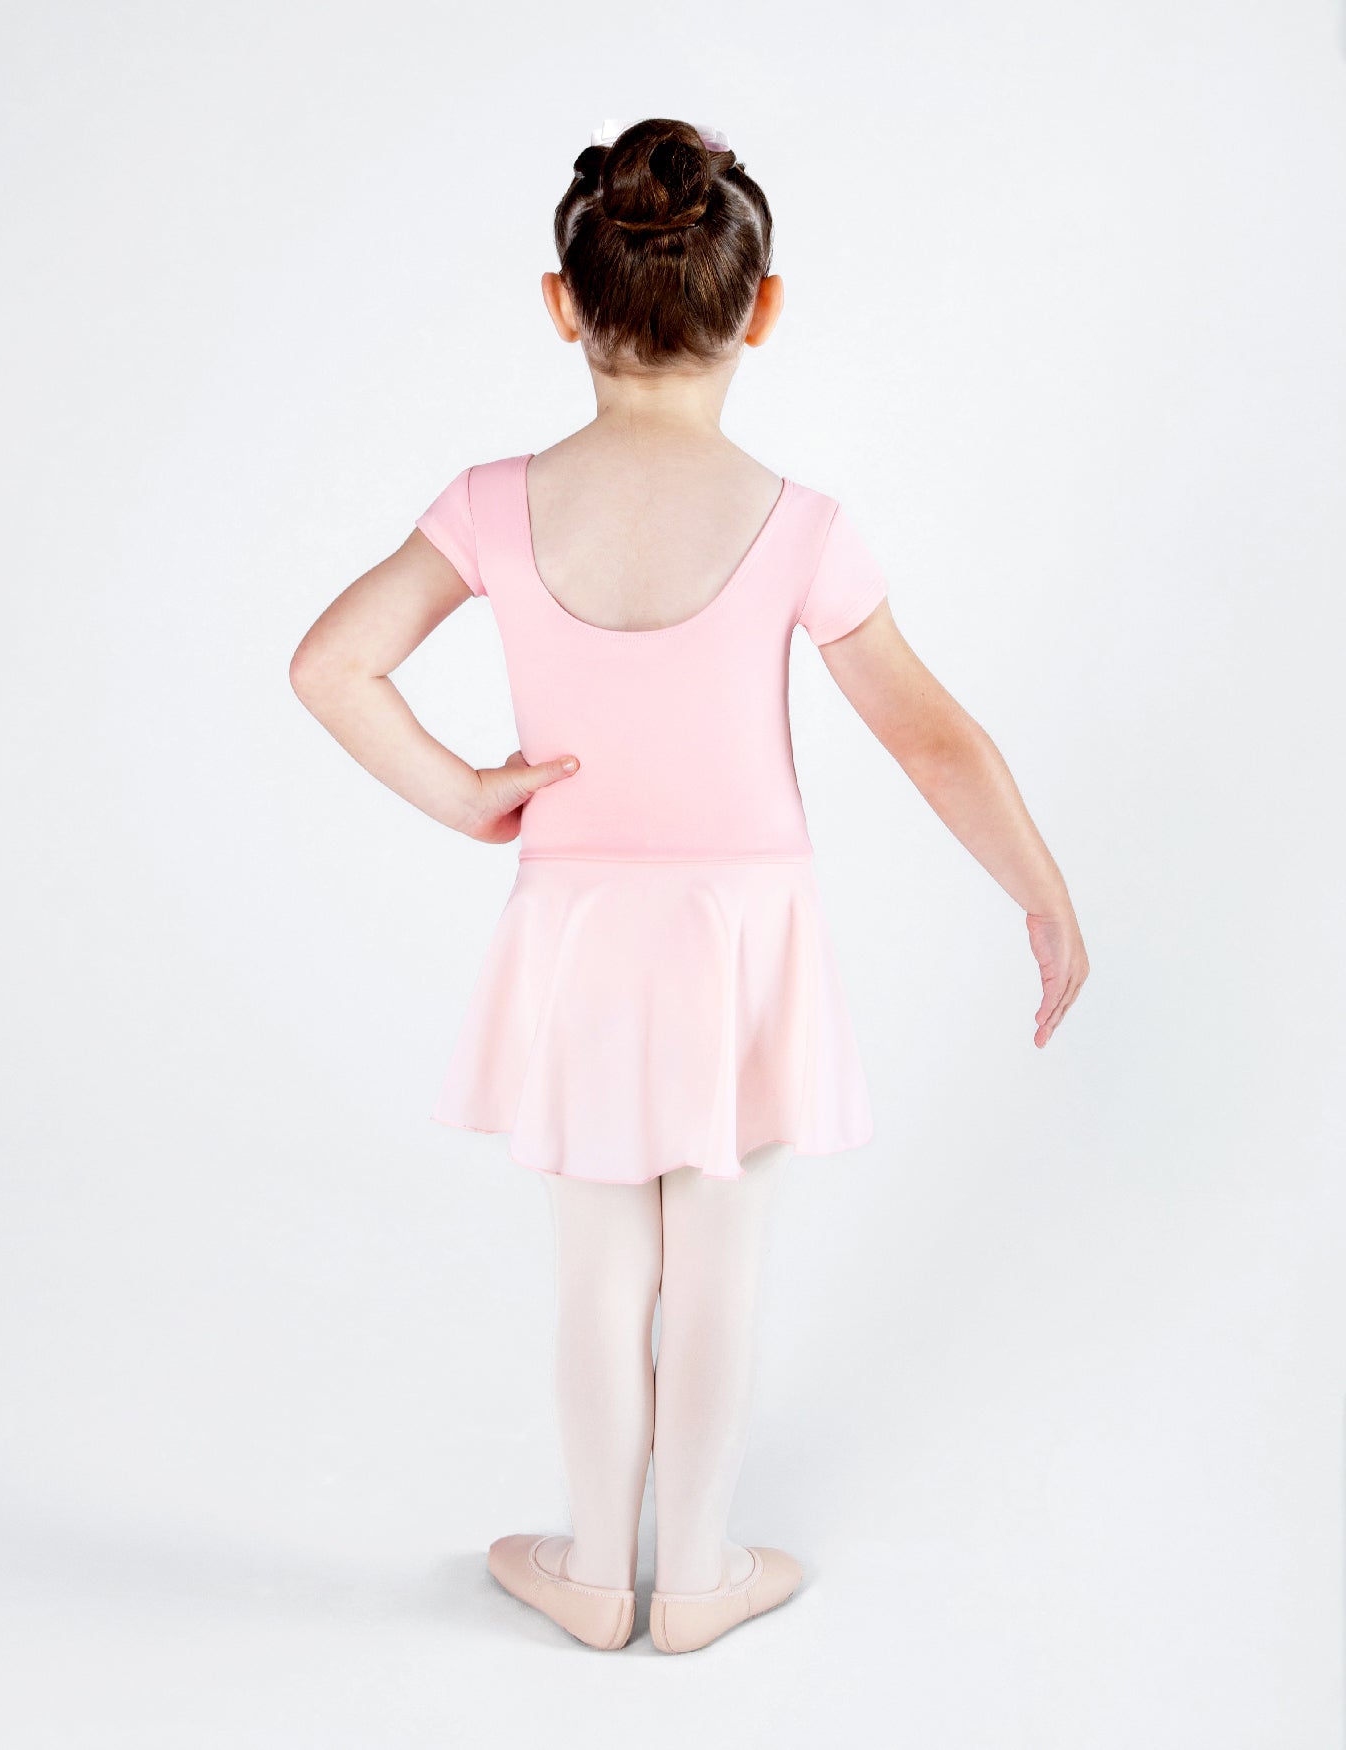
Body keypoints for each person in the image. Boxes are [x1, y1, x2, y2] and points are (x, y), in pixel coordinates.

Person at [288, 115, 1090, 1656]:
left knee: (599, 1261)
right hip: (745, 937)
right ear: (761, 309)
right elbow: (932, 737)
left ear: (562, 303)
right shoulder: (799, 527)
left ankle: (598, 1566)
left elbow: (332, 664)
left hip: (580, 925)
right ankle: (702, 1570)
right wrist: (1039, 889)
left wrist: (467, 791)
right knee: (719, 1257)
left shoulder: (492, 503)